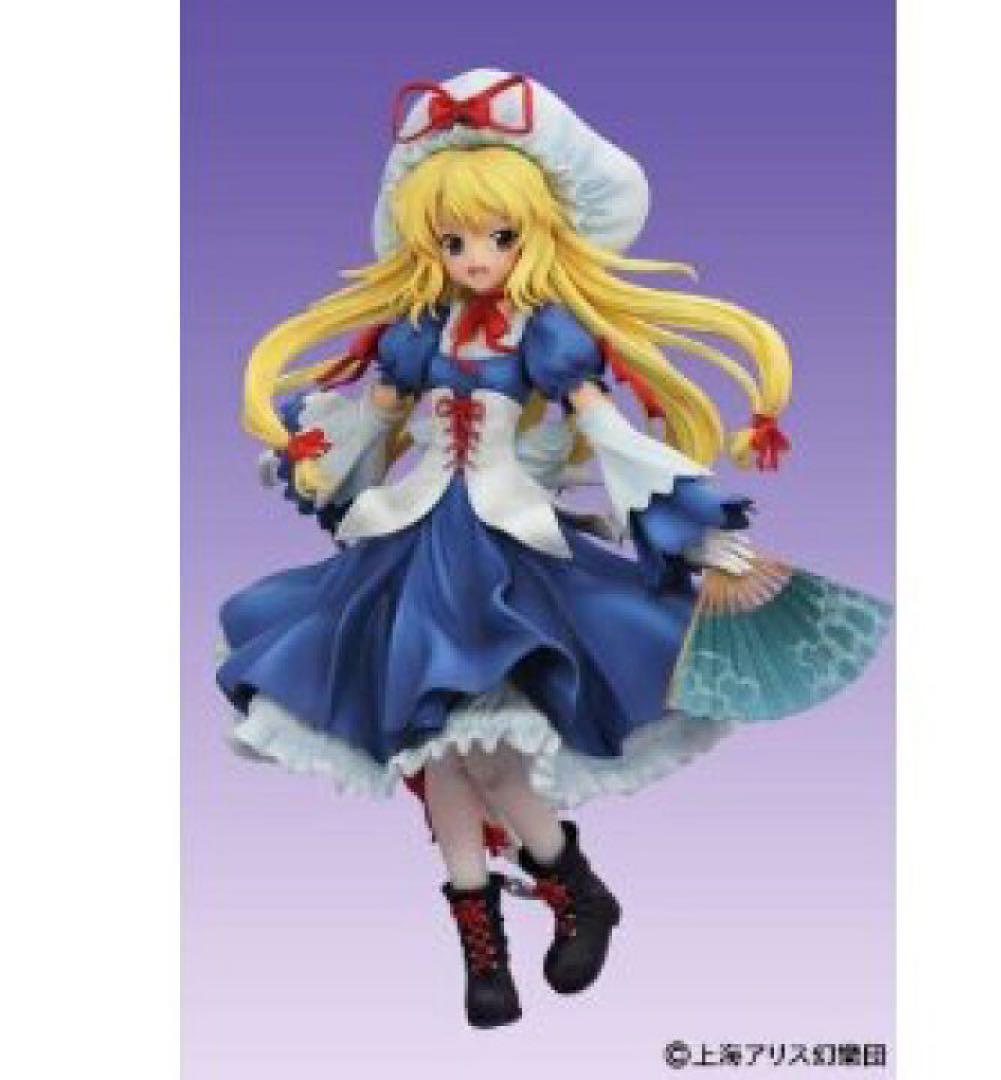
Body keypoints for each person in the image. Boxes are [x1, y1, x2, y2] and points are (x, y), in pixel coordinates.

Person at [216, 69, 891, 1029]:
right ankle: (480, 945)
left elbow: (609, 434)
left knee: (486, 757)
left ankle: (571, 882)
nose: (474, 258)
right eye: (452, 240)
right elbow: (373, 419)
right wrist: (313, 458)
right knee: (440, 756)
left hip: (507, 555)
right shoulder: (416, 333)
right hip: (413, 546)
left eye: (498, 236)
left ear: (536, 232)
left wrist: (692, 525)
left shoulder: (551, 338)